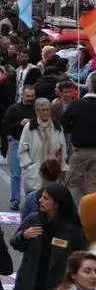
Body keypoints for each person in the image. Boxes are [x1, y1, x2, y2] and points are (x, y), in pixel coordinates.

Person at [5, 184, 91, 290]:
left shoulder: (73, 231)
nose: (40, 201)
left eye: (45, 198)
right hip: (30, 287)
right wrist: (23, 236)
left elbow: (82, 259)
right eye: (41, 197)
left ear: (57, 203)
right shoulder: (33, 220)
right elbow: (15, 243)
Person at [19, 97, 67, 195]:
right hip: (35, 173)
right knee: (33, 203)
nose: (46, 112)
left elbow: (63, 150)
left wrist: (62, 169)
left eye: (47, 109)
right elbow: (22, 150)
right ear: (37, 111)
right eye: (43, 110)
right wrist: (29, 165)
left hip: (52, 174)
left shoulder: (58, 127)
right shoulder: (29, 127)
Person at [61, 73, 96, 201]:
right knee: (93, 186)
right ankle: (91, 216)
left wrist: (74, 130)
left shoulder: (78, 105)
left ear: (89, 87)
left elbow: (64, 122)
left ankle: (74, 214)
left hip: (82, 149)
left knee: (73, 183)